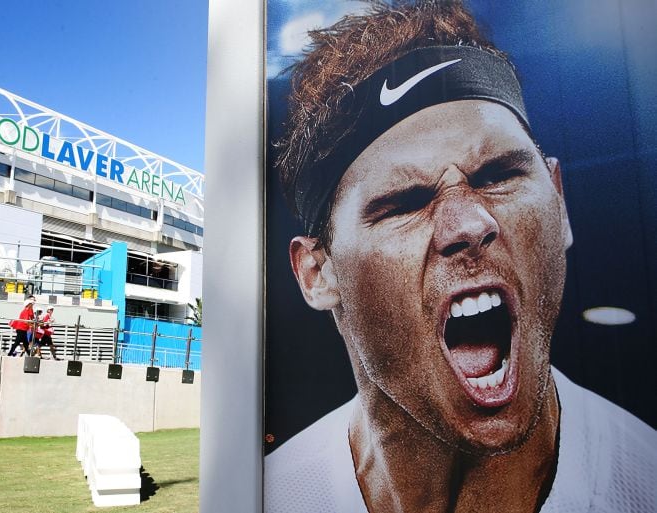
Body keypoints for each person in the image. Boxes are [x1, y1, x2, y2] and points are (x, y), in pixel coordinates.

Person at [264, 2, 657, 513]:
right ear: (318, 272)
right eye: (405, 203)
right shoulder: (274, 496)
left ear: (558, 204)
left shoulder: (644, 482)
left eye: (498, 176)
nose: (470, 223)